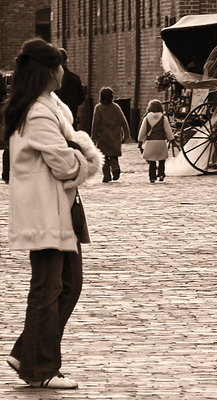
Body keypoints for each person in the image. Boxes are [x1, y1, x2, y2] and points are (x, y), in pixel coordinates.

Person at [3, 38, 102, 389]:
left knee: (68, 283)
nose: (64, 70)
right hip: (46, 211)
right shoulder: (38, 111)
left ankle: (27, 353)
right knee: (48, 287)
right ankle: (40, 367)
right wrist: (86, 158)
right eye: (59, 64)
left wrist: (77, 149)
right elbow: (62, 163)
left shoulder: (48, 106)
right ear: (48, 70)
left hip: (61, 208)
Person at [91, 87, 130, 182]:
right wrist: (126, 134)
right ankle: (115, 168)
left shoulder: (99, 108)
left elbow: (95, 123)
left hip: (103, 137)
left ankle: (106, 176)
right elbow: (123, 121)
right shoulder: (116, 107)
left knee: (104, 157)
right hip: (115, 136)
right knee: (113, 155)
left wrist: (94, 136)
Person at [137, 99, 174, 183]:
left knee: (152, 161)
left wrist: (140, 141)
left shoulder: (146, 118)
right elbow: (168, 130)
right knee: (161, 160)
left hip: (150, 142)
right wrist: (171, 139)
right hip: (161, 142)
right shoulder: (163, 118)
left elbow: (142, 131)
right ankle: (161, 174)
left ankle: (152, 177)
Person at [54, 48, 85, 129]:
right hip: (71, 116)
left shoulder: (51, 79)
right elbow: (81, 98)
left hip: (55, 118)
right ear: (66, 61)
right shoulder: (75, 78)